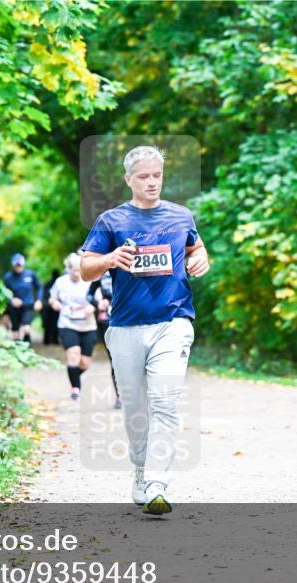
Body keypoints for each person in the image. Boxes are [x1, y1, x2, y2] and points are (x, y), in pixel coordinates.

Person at [80, 145, 210, 515]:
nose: (152, 182)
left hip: (173, 321)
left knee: (165, 401)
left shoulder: (181, 216)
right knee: (136, 409)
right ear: (129, 180)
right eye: (144, 177)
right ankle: (141, 470)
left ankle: (156, 482)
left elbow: (197, 250)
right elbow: (86, 268)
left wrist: (200, 258)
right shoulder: (111, 221)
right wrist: (109, 259)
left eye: (157, 176)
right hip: (125, 327)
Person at [48, 253, 97, 400]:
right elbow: (52, 298)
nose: (77, 273)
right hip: (67, 323)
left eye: (79, 270)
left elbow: (98, 299)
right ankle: (75, 389)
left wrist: (93, 307)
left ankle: (73, 374)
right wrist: (54, 304)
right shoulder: (60, 282)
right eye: (74, 270)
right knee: (73, 356)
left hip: (88, 325)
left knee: (84, 363)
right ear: (68, 269)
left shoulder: (89, 281)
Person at [87, 271, 121, 409]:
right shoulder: (101, 273)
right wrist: (98, 303)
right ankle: (120, 396)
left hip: (130, 318)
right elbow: (89, 295)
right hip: (107, 321)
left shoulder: (130, 265)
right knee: (115, 359)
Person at [2, 253, 42, 344]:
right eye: (16, 265)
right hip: (14, 307)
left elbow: (39, 287)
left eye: (20, 265)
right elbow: (3, 293)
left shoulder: (30, 274)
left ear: (23, 264)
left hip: (28, 306)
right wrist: (11, 300)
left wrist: (39, 300)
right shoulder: (8, 277)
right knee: (15, 332)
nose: (18, 266)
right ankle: (17, 351)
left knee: (26, 328)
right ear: (13, 265)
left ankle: (27, 347)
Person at [42, 269, 61, 345]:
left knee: (48, 324)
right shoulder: (58, 283)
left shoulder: (48, 284)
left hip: (48, 306)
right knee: (54, 324)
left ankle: (47, 340)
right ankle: (54, 340)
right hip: (51, 306)